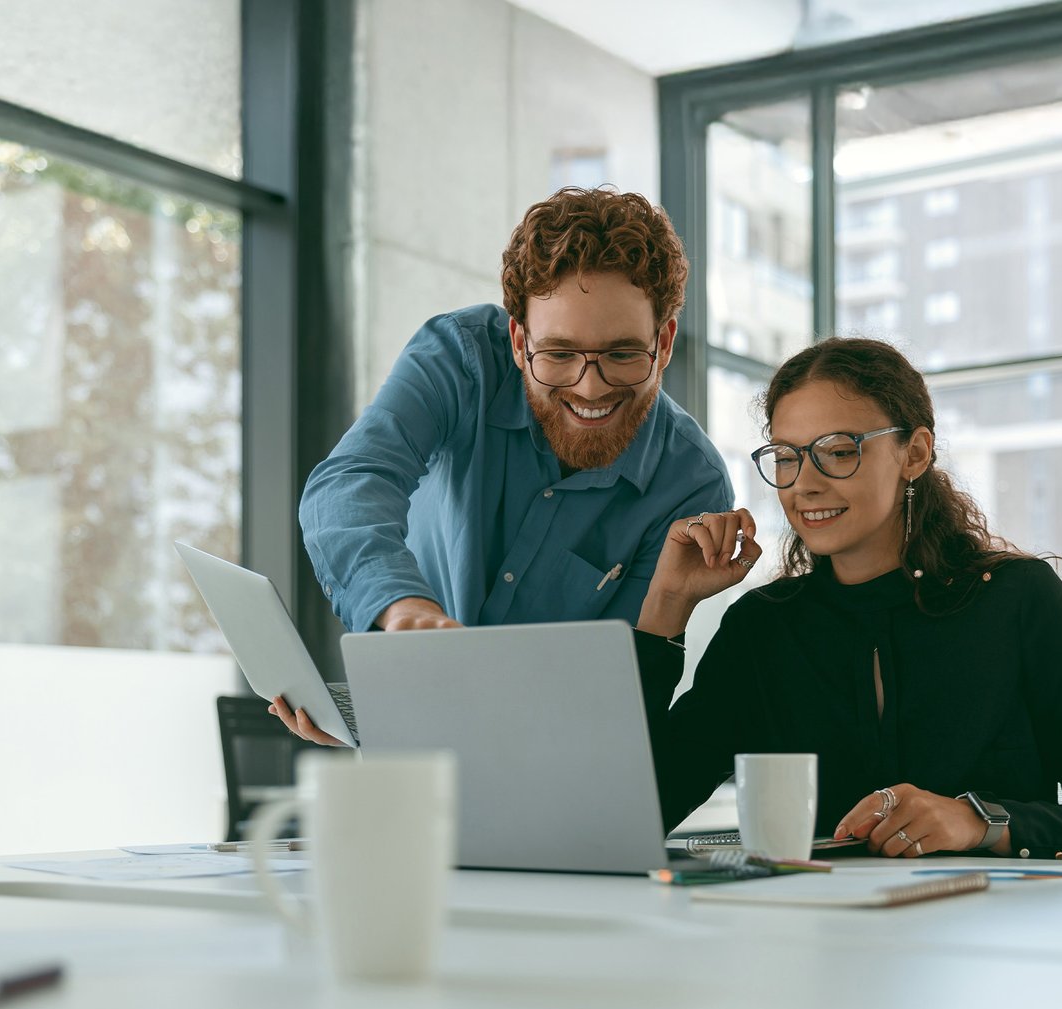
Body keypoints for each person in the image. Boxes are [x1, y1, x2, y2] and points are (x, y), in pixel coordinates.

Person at [635, 337, 1062, 861]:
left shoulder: (1017, 601)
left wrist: (977, 822)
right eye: (786, 457)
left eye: (838, 452)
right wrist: (667, 605)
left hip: (989, 936)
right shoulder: (762, 629)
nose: (804, 485)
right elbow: (639, 812)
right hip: (816, 936)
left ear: (914, 453)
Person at [271, 186, 734, 743]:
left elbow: (612, 698)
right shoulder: (459, 359)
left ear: (664, 342)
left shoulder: (691, 484)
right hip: (407, 734)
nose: (591, 387)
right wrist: (401, 608)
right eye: (559, 354)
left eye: (622, 354)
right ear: (518, 340)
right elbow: (352, 481)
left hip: (548, 763)